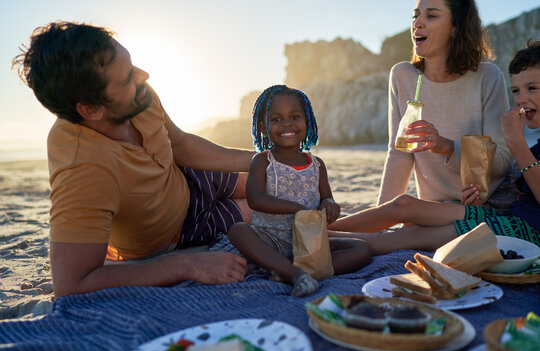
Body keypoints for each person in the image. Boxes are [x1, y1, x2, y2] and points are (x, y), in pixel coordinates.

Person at [12, 21, 255, 297]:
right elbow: (71, 284)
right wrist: (185, 264)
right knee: (267, 209)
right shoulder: (82, 169)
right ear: (90, 109)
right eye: (128, 77)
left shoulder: (138, 96)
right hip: (180, 231)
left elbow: (180, 143)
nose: (144, 75)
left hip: (185, 176)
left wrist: (257, 160)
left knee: (277, 182)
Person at [329, 39, 540, 255]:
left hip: (527, 230)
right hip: (504, 215)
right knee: (404, 204)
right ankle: (319, 231)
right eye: (515, 91)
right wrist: (475, 202)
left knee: (410, 237)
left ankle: (322, 242)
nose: (521, 99)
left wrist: (515, 140)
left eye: (532, 88)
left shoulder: (523, 144)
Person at [228, 85, 372, 297]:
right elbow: (254, 198)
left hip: (310, 242)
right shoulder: (262, 161)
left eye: (295, 116)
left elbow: (327, 198)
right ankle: (295, 273)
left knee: (362, 250)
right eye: (276, 119)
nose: (287, 123)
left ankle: (292, 270)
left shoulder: (317, 165)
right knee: (238, 231)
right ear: (262, 127)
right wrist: (295, 208)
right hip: (270, 240)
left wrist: (330, 207)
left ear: (308, 121)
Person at [377, 0, 514, 206]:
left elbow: (503, 161)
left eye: (431, 15)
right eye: (416, 15)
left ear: (456, 27)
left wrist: (447, 147)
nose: (417, 24)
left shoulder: (488, 77)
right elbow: (399, 155)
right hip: (433, 210)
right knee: (378, 230)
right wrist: (381, 216)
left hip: (485, 206)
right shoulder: (402, 75)